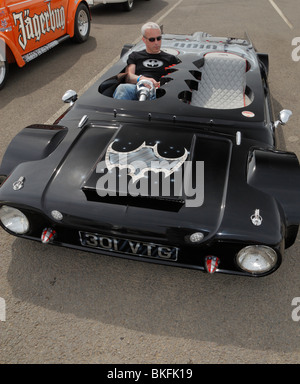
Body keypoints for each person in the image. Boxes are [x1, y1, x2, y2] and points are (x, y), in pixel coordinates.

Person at [113, 22, 179, 100]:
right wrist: (143, 79)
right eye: (152, 39)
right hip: (137, 88)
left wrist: (162, 84)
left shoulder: (170, 58)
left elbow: (177, 80)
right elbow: (129, 77)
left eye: (158, 38)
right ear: (144, 40)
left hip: (158, 92)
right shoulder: (135, 55)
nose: (156, 43)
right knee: (122, 88)